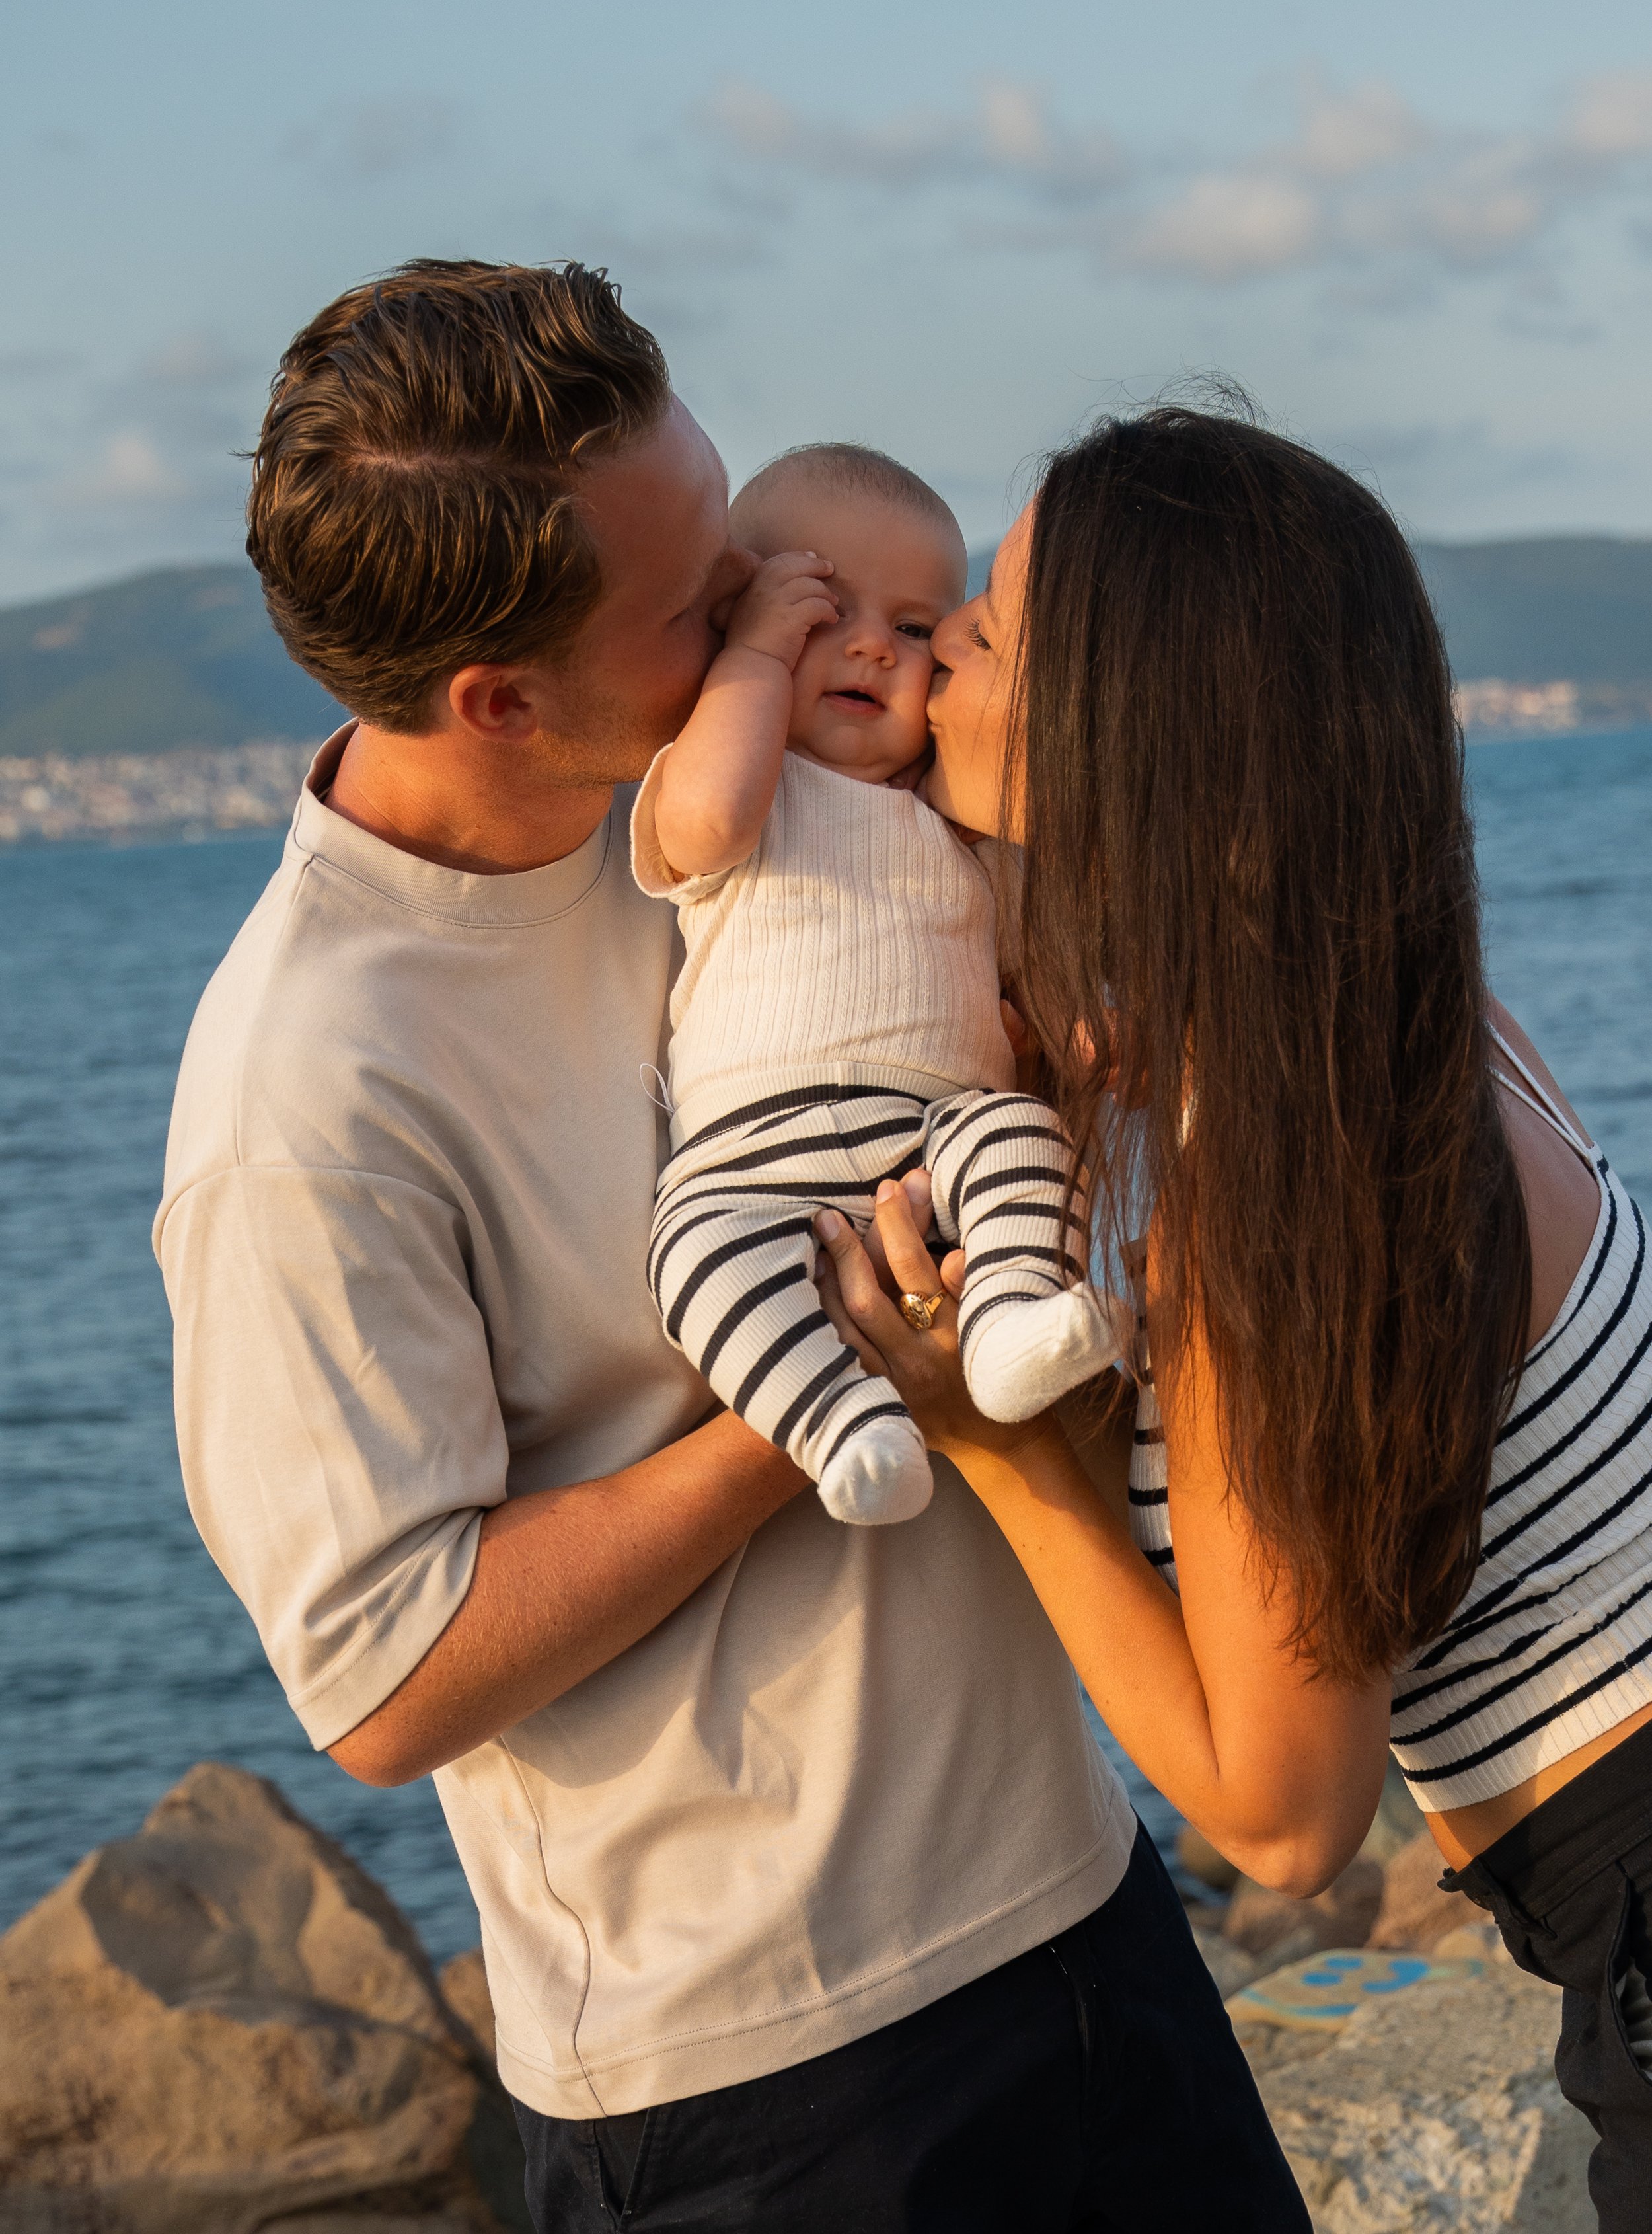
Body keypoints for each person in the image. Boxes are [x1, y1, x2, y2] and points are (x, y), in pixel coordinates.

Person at [155, 268, 1306, 2233]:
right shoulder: (309, 1088)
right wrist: (816, 1395)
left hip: (1088, 1911)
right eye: (712, 603)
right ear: (498, 699)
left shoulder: (764, 793)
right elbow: (387, 1675)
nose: (777, 616)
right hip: (770, 2091)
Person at [817, 405, 1652, 2234]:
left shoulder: (1279, 1195)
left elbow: (1280, 1817)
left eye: (997, 623)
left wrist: (993, 1454)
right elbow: (1071, 1002)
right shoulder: (1397, 1008)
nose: (941, 631)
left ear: (1140, 719)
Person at [636, 443, 1119, 1527]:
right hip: (750, 1158)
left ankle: (1004, 1325)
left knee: (1024, 1138)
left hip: (934, 1133)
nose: (869, 645)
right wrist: (754, 661)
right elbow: (705, 822)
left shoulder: (962, 823)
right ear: (736, 621)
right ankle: (844, 1427)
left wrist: (1082, 1019)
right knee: (693, 1259)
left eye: (913, 629)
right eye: (817, 610)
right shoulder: (734, 786)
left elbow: (1034, 960)